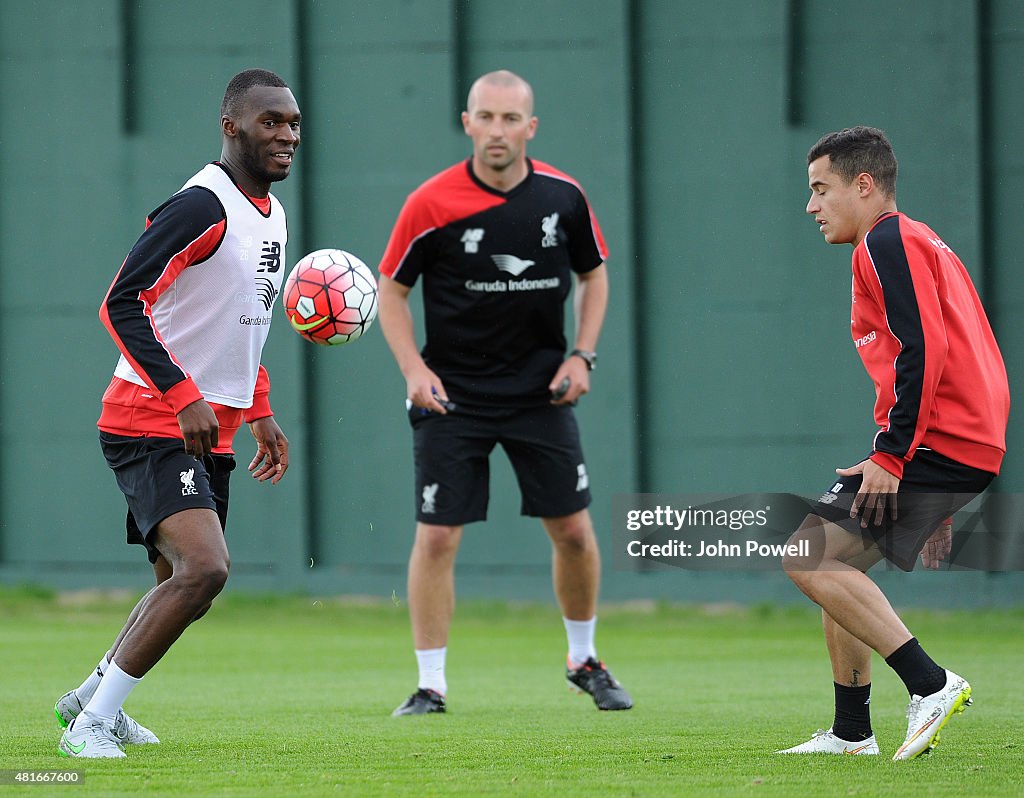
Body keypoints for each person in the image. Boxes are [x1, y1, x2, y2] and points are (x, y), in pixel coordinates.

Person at [56, 69, 299, 758]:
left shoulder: (272, 215)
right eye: (270, 122)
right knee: (206, 569)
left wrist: (260, 409)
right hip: (148, 417)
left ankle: (91, 695)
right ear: (231, 126)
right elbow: (122, 302)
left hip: (207, 427)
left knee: (181, 583)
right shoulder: (201, 205)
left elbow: (239, 319)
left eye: (293, 123)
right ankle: (92, 725)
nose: (287, 135)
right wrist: (182, 392)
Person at [377, 69, 631, 715]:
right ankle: (430, 684)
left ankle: (584, 659)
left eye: (510, 119)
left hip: (540, 393)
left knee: (573, 531)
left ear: (531, 127)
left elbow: (594, 277)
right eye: (485, 117)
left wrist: (583, 354)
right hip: (450, 395)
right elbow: (391, 291)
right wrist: (413, 370)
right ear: (467, 122)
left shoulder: (563, 198)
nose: (497, 131)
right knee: (437, 538)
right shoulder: (430, 203)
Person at [777, 127, 1009, 760]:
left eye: (820, 189)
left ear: (864, 184)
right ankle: (852, 732)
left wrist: (893, 455)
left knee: (807, 554)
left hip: (942, 440)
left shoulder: (887, 239)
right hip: (957, 441)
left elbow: (923, 347)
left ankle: (930, 684)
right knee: (834, 560)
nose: (811, 205)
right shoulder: (916, 239)